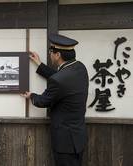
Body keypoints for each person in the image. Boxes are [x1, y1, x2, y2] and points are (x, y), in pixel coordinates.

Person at [21, 34, 89, 166]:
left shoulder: (59, 80)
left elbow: (43, 101)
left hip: (65, 142)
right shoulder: (80, 68)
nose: (50, 54)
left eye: (51, 52)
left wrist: (32, 96)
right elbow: (62, 80)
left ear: (57, 55)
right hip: (78, 137)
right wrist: (39, 64)